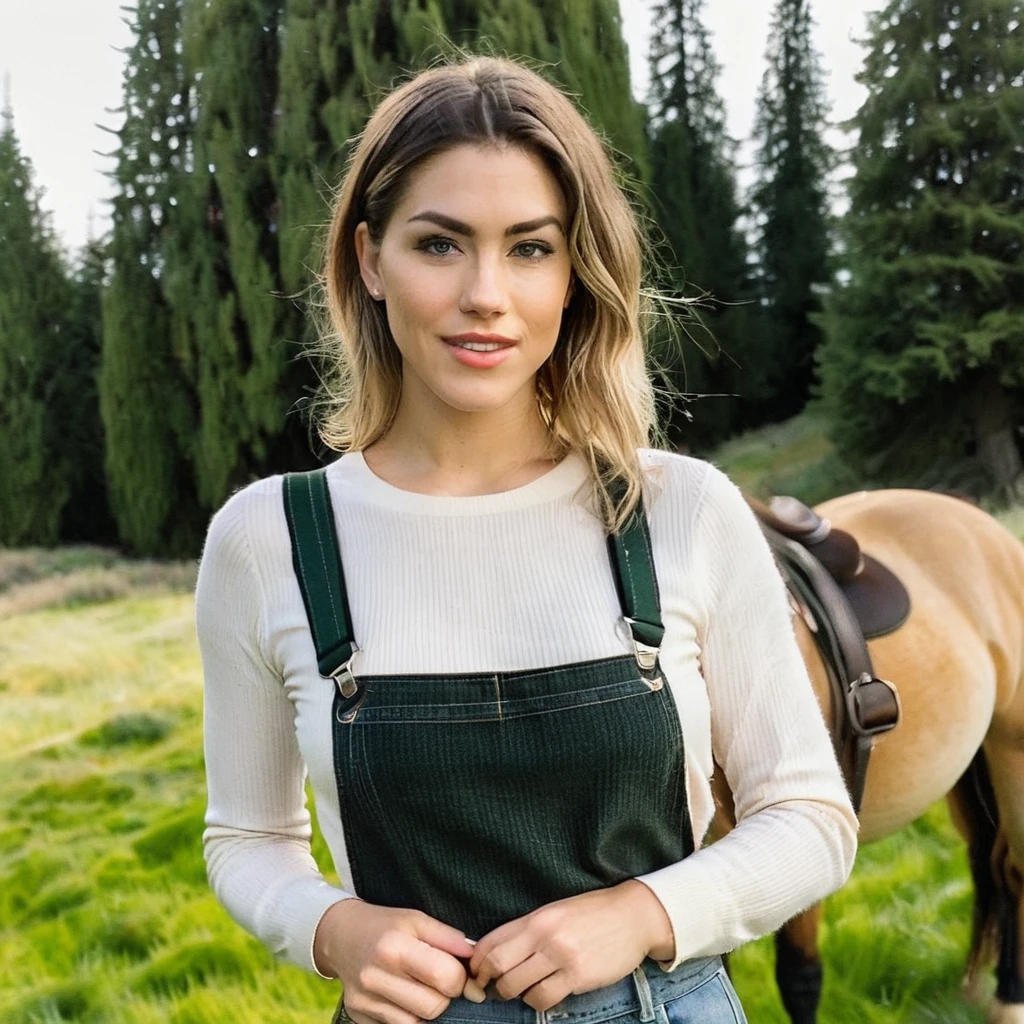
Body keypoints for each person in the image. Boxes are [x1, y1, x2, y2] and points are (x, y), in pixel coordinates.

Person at [196, 55, 857, 1024]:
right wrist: (333, 928)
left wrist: (642, 911)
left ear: (576, 273)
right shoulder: (269, 539)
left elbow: (811, 820)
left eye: (531, 248)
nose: (485, 294)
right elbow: (245, 834)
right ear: (369, 259)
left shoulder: (679, 509)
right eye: (440, 244)